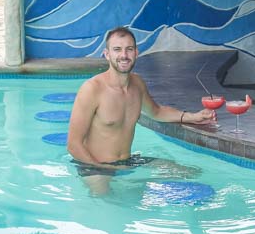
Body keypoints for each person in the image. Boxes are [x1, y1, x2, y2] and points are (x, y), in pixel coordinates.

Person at [67, 26, 215, 189]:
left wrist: (193, 117)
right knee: (106, 198)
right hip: (94, 166)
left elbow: (156, 112)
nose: (124, 55)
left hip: (127, 162)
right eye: (117, 49)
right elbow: (73, 145)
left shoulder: (137, 84)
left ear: (136, 53)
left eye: (129, 49)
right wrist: (102, 169)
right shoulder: (92, 89)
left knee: (187, 172)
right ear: (107, 54)